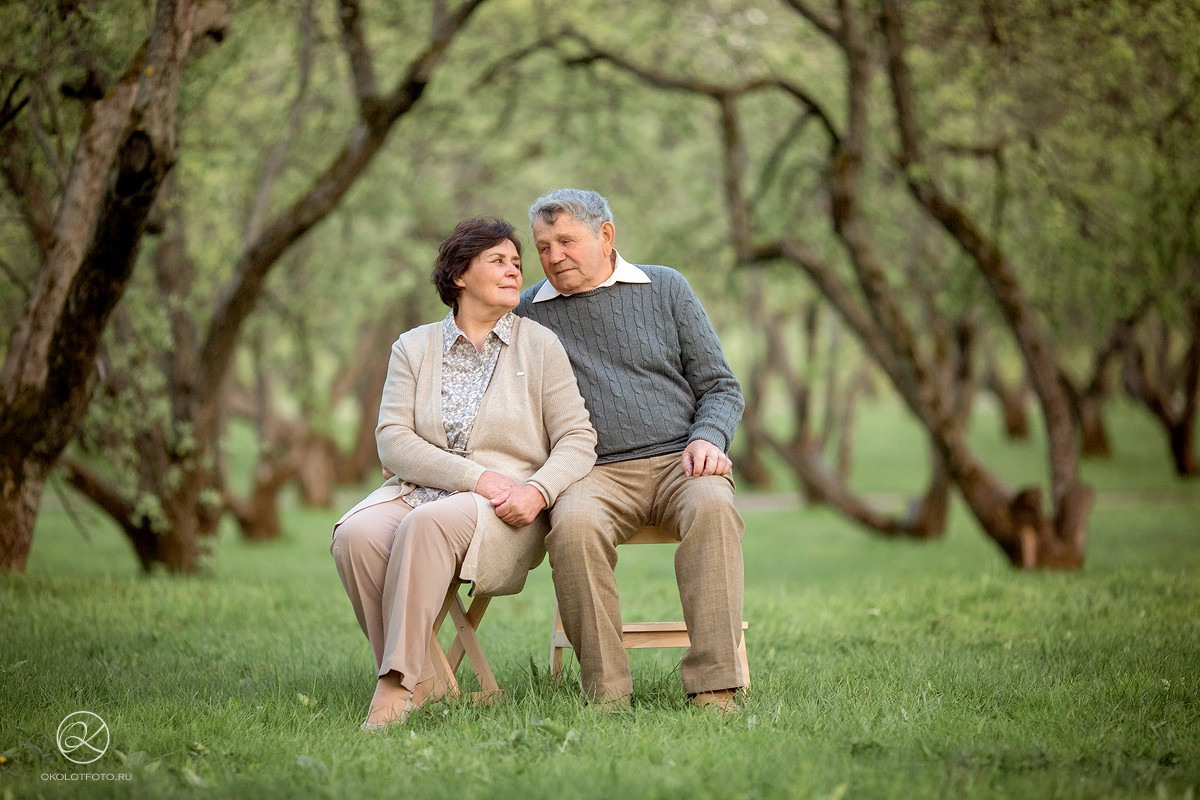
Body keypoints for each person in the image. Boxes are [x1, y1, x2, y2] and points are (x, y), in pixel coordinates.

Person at [331, 216, 597, 729]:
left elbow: (578, 438)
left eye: (517, 263)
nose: (514, 270)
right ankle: (424, 677)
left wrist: (538, 492)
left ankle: (394, 687)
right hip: (417, 492)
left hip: (504, 511)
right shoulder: (414, 346)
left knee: (427, 525)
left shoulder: (539, 345)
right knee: (356, 534)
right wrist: (473, 477)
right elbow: (392, 440)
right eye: (497, 260)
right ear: (458, 275)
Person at [514, 188, 746, 712]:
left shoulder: (665, 287)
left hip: (681, 462)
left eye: (566, 241)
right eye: (543, 247)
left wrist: (709, 437)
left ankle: (714, 687)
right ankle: (607, 692)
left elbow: (721, 386)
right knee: (571, 529)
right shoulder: (529, 311)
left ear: (606, 235)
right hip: (591, 472)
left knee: (714, 509)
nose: (554, 257)